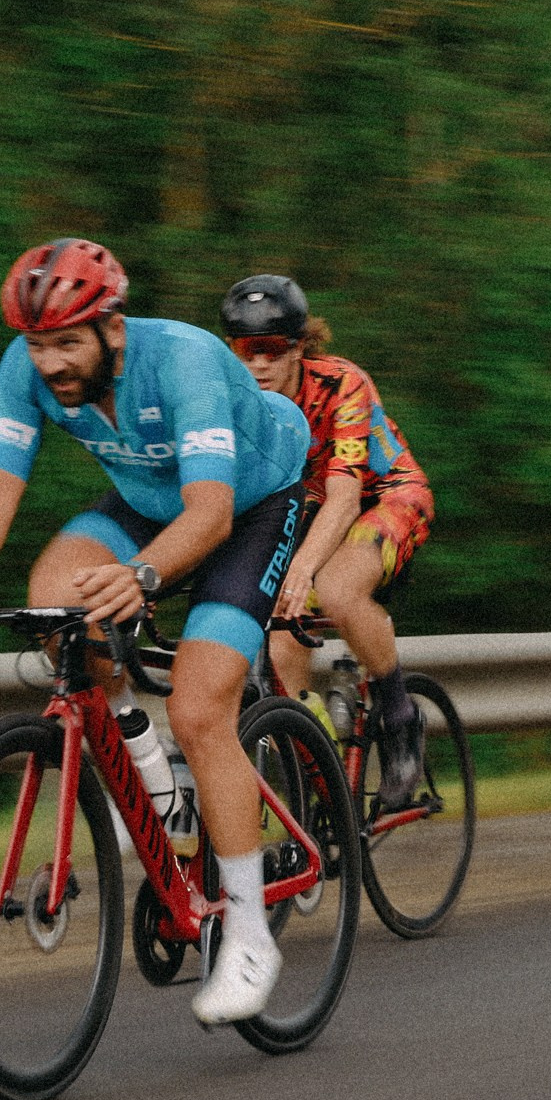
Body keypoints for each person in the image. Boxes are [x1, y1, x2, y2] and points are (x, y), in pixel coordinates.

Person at [0, 239, 314, 1025]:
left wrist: (144, 577)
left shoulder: (182, 360)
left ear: (112, 329)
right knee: (53, 601)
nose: (49, 364)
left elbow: (211, 513)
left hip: (252, 501)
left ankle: (251, 935)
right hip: (151, 499)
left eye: (67, 343)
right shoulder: (25, 371)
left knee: (201, 705)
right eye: (37, 344)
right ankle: (158, 787)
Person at [220, 274, 435, 809]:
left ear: (298, 346)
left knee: (335, 590)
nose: (258, 365)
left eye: (271, 350)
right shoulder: (233, 400)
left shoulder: (343, 384)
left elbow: (345, 496)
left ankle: (399, 715)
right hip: (315, 505)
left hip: (385, 496)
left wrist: (301, 570)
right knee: (279, 632)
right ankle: (314, 768)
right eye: (246, 350)